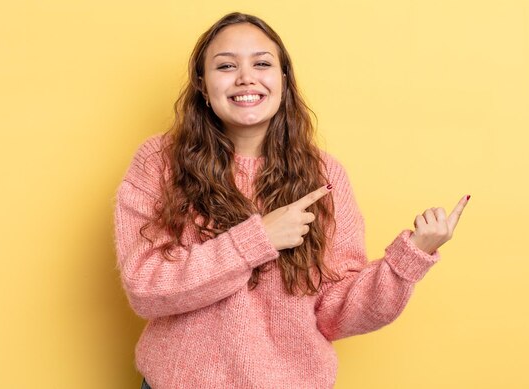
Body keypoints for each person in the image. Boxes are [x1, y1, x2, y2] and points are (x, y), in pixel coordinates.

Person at [113, 12, 469, 389]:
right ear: (202, 84)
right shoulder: (159, 162)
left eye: (262, 63)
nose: (246, 77)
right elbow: (146, 288)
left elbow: (337, 313)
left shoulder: (324, 176)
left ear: (283, 79)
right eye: (227, 65)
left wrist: (407, 261)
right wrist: (258, 239)